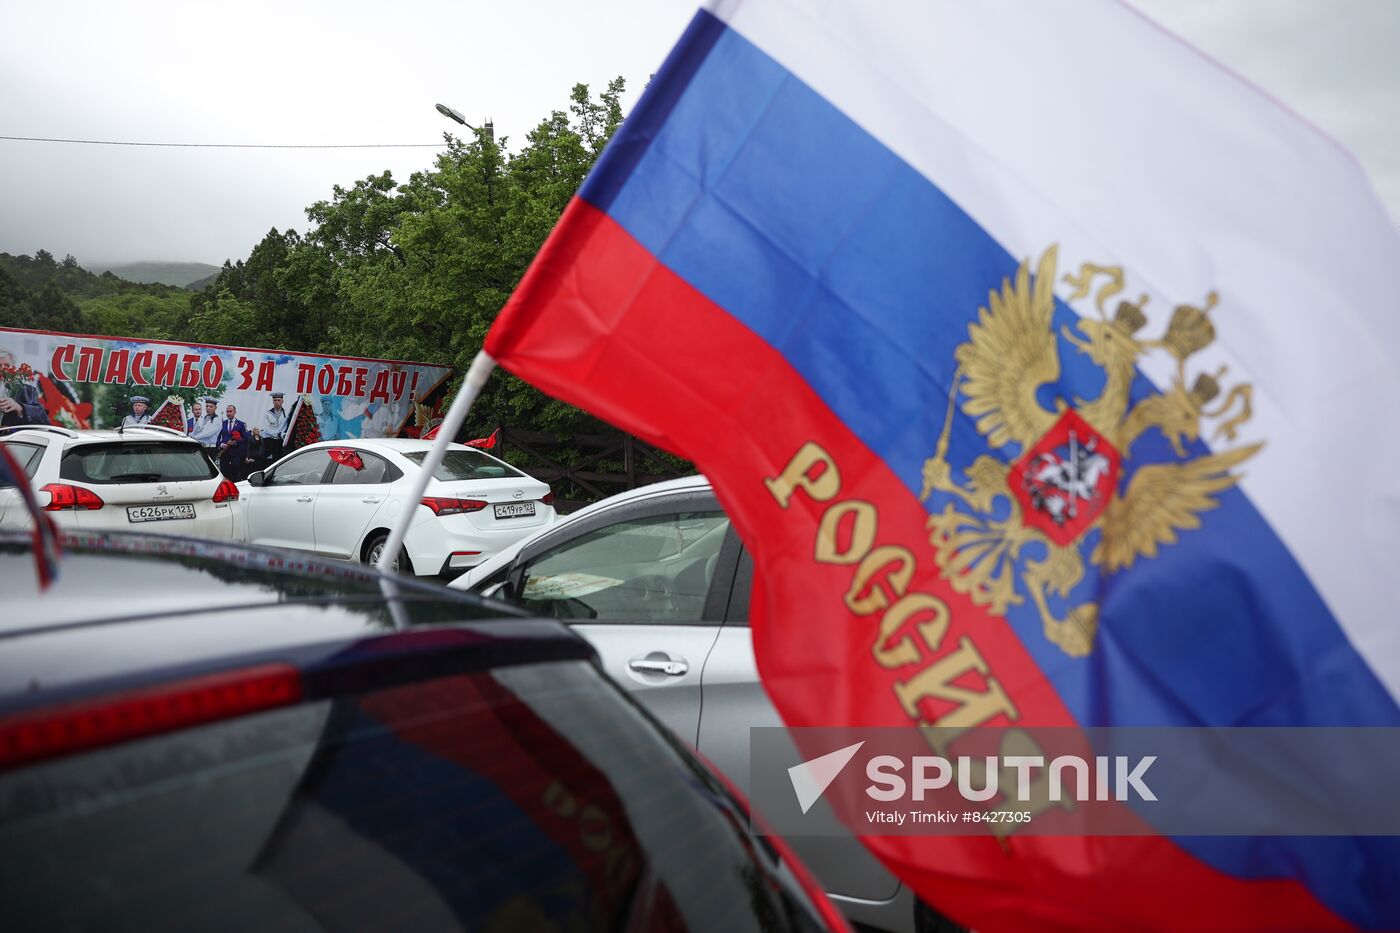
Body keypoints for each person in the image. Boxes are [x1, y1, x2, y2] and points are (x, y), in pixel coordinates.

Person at [0, 350, 50, 429]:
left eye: (6, 366)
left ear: (12, 366)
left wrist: (19, 408)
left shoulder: (28, 391)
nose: (2, 369)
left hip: (15, 440)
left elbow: (44, 420)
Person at [216, 404, 249, 481]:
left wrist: (235, 443)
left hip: (236, 454)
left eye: (230, 411)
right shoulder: (222, 423)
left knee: (236, 474)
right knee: (224, 474)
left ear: (235, 412)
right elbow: (217, 438)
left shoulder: (241, 424)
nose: (228, 413)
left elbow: (245, 438)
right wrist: (221, 444)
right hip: (224, 454)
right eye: (227, 412)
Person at [261, 392, 289, 462]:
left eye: (279, 400)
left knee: (280, 461)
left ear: (282, 401)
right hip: (270, 442)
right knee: (269, 462)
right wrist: (276, 434)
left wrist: (282, 434)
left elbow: (287, 427)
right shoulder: (268, 413)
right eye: (275, 400)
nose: (277, 402)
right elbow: (265, 428)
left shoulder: (287, 413)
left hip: (281, 442)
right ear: (273, 401)